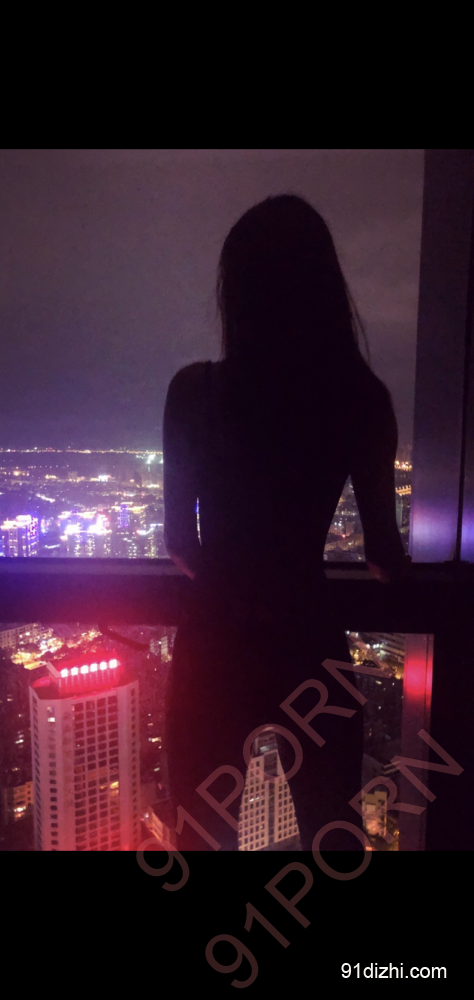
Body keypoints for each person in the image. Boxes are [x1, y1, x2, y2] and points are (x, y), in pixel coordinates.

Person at [162, 195, 410, 852]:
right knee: (331, 834)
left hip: (215, 641)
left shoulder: (193, 393)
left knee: (199, 838)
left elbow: (178, 543)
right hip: (309, 638)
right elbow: (384, 557)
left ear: (235, 292)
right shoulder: (362, 400)